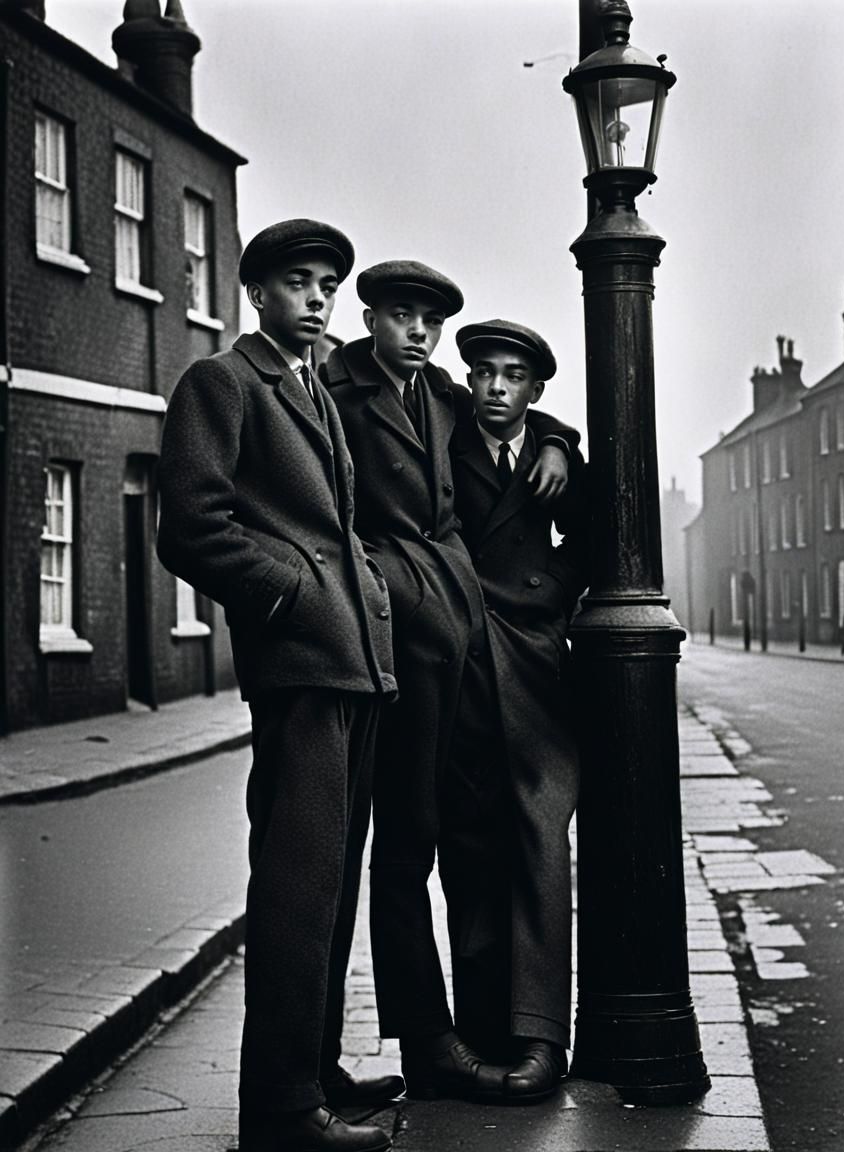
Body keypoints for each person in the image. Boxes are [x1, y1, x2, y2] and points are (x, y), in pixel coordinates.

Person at [156, 220, 401, 1152]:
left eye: (327, 284)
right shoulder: (222, 383)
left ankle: (318, 1069)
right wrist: (294, 595)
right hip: (301, 668)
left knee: (334, 889)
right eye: (298, 282)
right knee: (297, 892)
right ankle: (281, 1112)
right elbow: (192, 528)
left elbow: (339, 527)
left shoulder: (314, 390)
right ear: (256, 292)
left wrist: (360, 594)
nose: (317, 297)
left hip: (354, 669)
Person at [320, 262, 575, 1102]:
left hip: (508, 653)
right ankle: (447, 1039)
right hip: (421, 647)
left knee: (526, 841)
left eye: (431, 319)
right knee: (431, 846)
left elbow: (532, 428)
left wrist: (557, 445)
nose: (419, 333)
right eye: (403, 315)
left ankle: (521, 1035)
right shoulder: (354, 393)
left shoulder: (453, 405)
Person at [441, 319, 587, 1102]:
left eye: (512, 375)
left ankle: (540, 1038)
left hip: (531, 664)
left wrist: (553, 594)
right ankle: (479, 1034)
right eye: (484, 373)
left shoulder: (550, 452)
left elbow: (599, 534)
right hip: (460, 659)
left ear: (535, 388)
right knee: (469, 847)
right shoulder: (445, 432)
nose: (495, 387)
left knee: (538, 844)